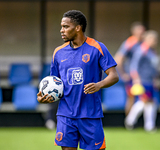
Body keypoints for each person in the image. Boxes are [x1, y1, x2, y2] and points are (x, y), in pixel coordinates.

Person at [37, 10, 119, 150]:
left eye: (65, 26)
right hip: (65, 115)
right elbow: (54, 84)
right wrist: (44, 97)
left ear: (78, 27)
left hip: (90, 114)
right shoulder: (58, 52)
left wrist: (99, 85)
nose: (61, 30)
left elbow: (114, 76)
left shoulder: (97, 47)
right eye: (61, 26)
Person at [125, 30, 159, 132]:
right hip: (142, 81)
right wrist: (136, 80)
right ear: (147, 39)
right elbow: (134, 66)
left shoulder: (151, 51)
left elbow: (153, 67)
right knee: (145, 101)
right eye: (154, 39)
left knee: (150, 102)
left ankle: (147, 125)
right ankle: (131, 121)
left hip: (150, 81)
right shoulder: (141, 50)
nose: (155, 42)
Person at [114, 22, 146, 115]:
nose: (142, 33)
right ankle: (129, 123)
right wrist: (123, 74)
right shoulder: (130, 43)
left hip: (143, 76)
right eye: (140, 31)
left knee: (145, 98)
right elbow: (119, 59)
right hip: (132, 75)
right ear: (134, 32)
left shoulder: (144, 43)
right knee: (131, 97)